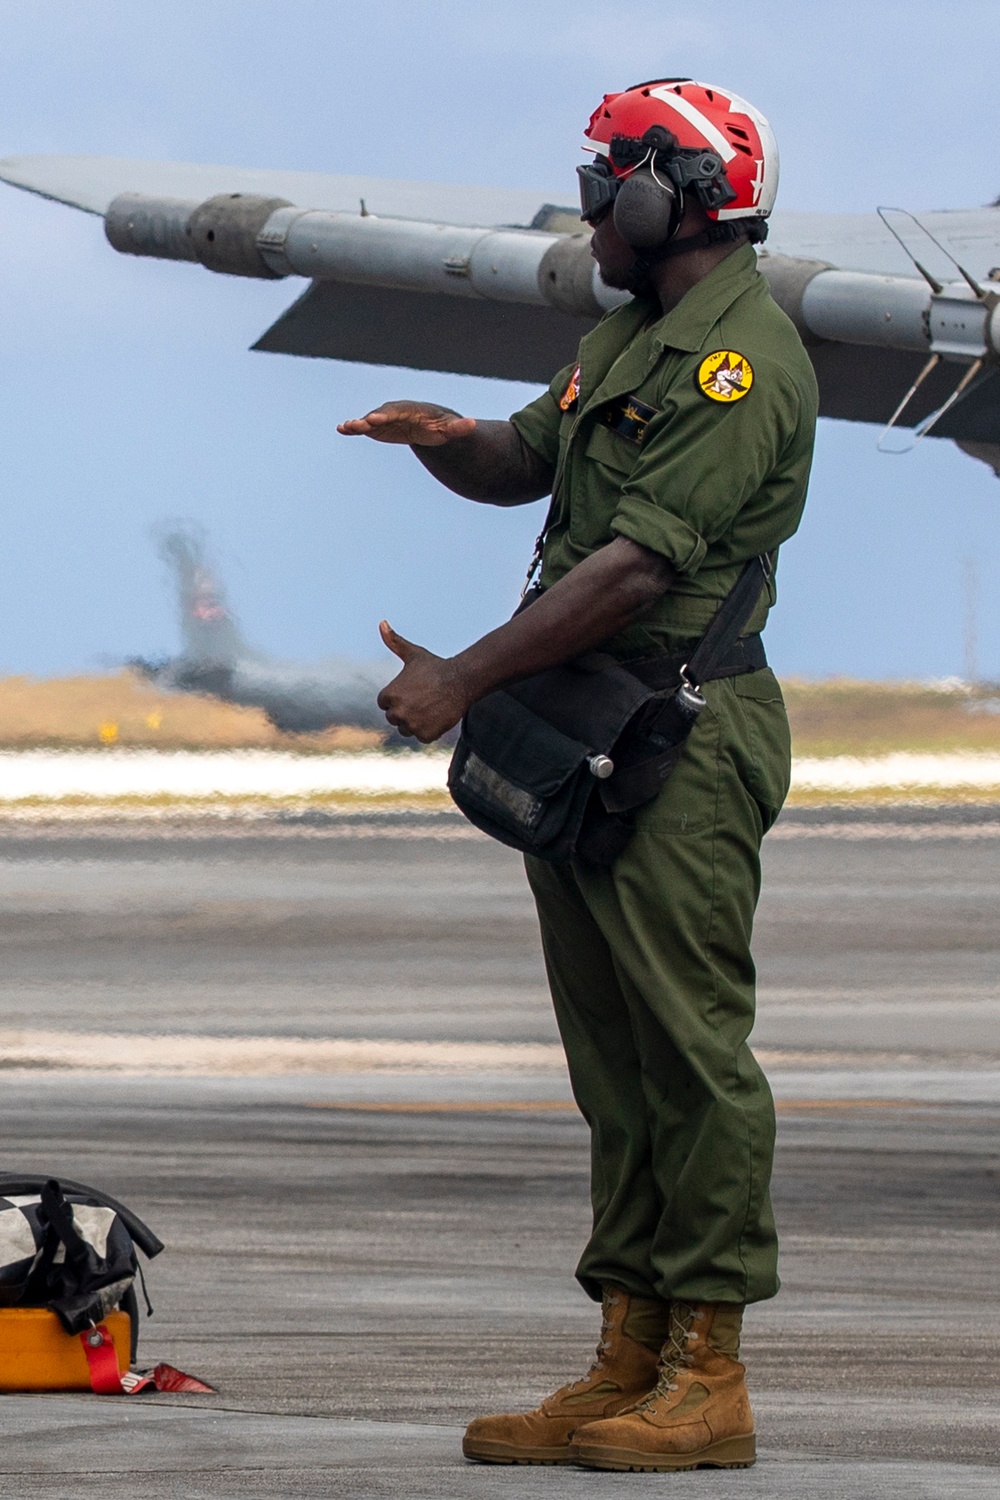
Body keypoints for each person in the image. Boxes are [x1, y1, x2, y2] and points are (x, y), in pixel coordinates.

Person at [339, 78, 818, 1474]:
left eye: (607, 177)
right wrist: (447, 444)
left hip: (683, 734)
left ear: (673, 192)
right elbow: (523, 465)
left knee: (690, 1055)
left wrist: (463, 677)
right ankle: (627, 1352)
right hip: (603, 729)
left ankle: (709, 1376)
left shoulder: (742, 367)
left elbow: (635, 568)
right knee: (615, 1062)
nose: (591, 203)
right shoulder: (627, 337)